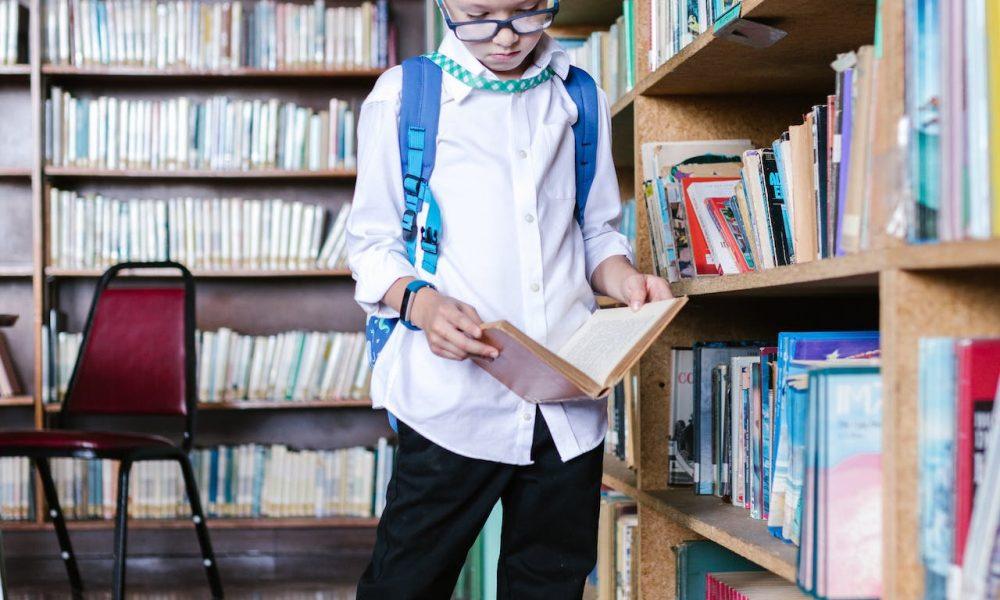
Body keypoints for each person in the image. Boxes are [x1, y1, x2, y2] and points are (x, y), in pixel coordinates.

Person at [346, 0, 672, 597]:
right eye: (479, 14)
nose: (504, 36)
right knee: (406, 582)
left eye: (527, 13)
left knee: (549, 584)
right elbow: (371, 245)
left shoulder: (579, 96)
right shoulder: (405, 96)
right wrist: (420, 303)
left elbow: (595, 232)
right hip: (455, 405)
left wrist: (625, 280)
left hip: (568, 404)